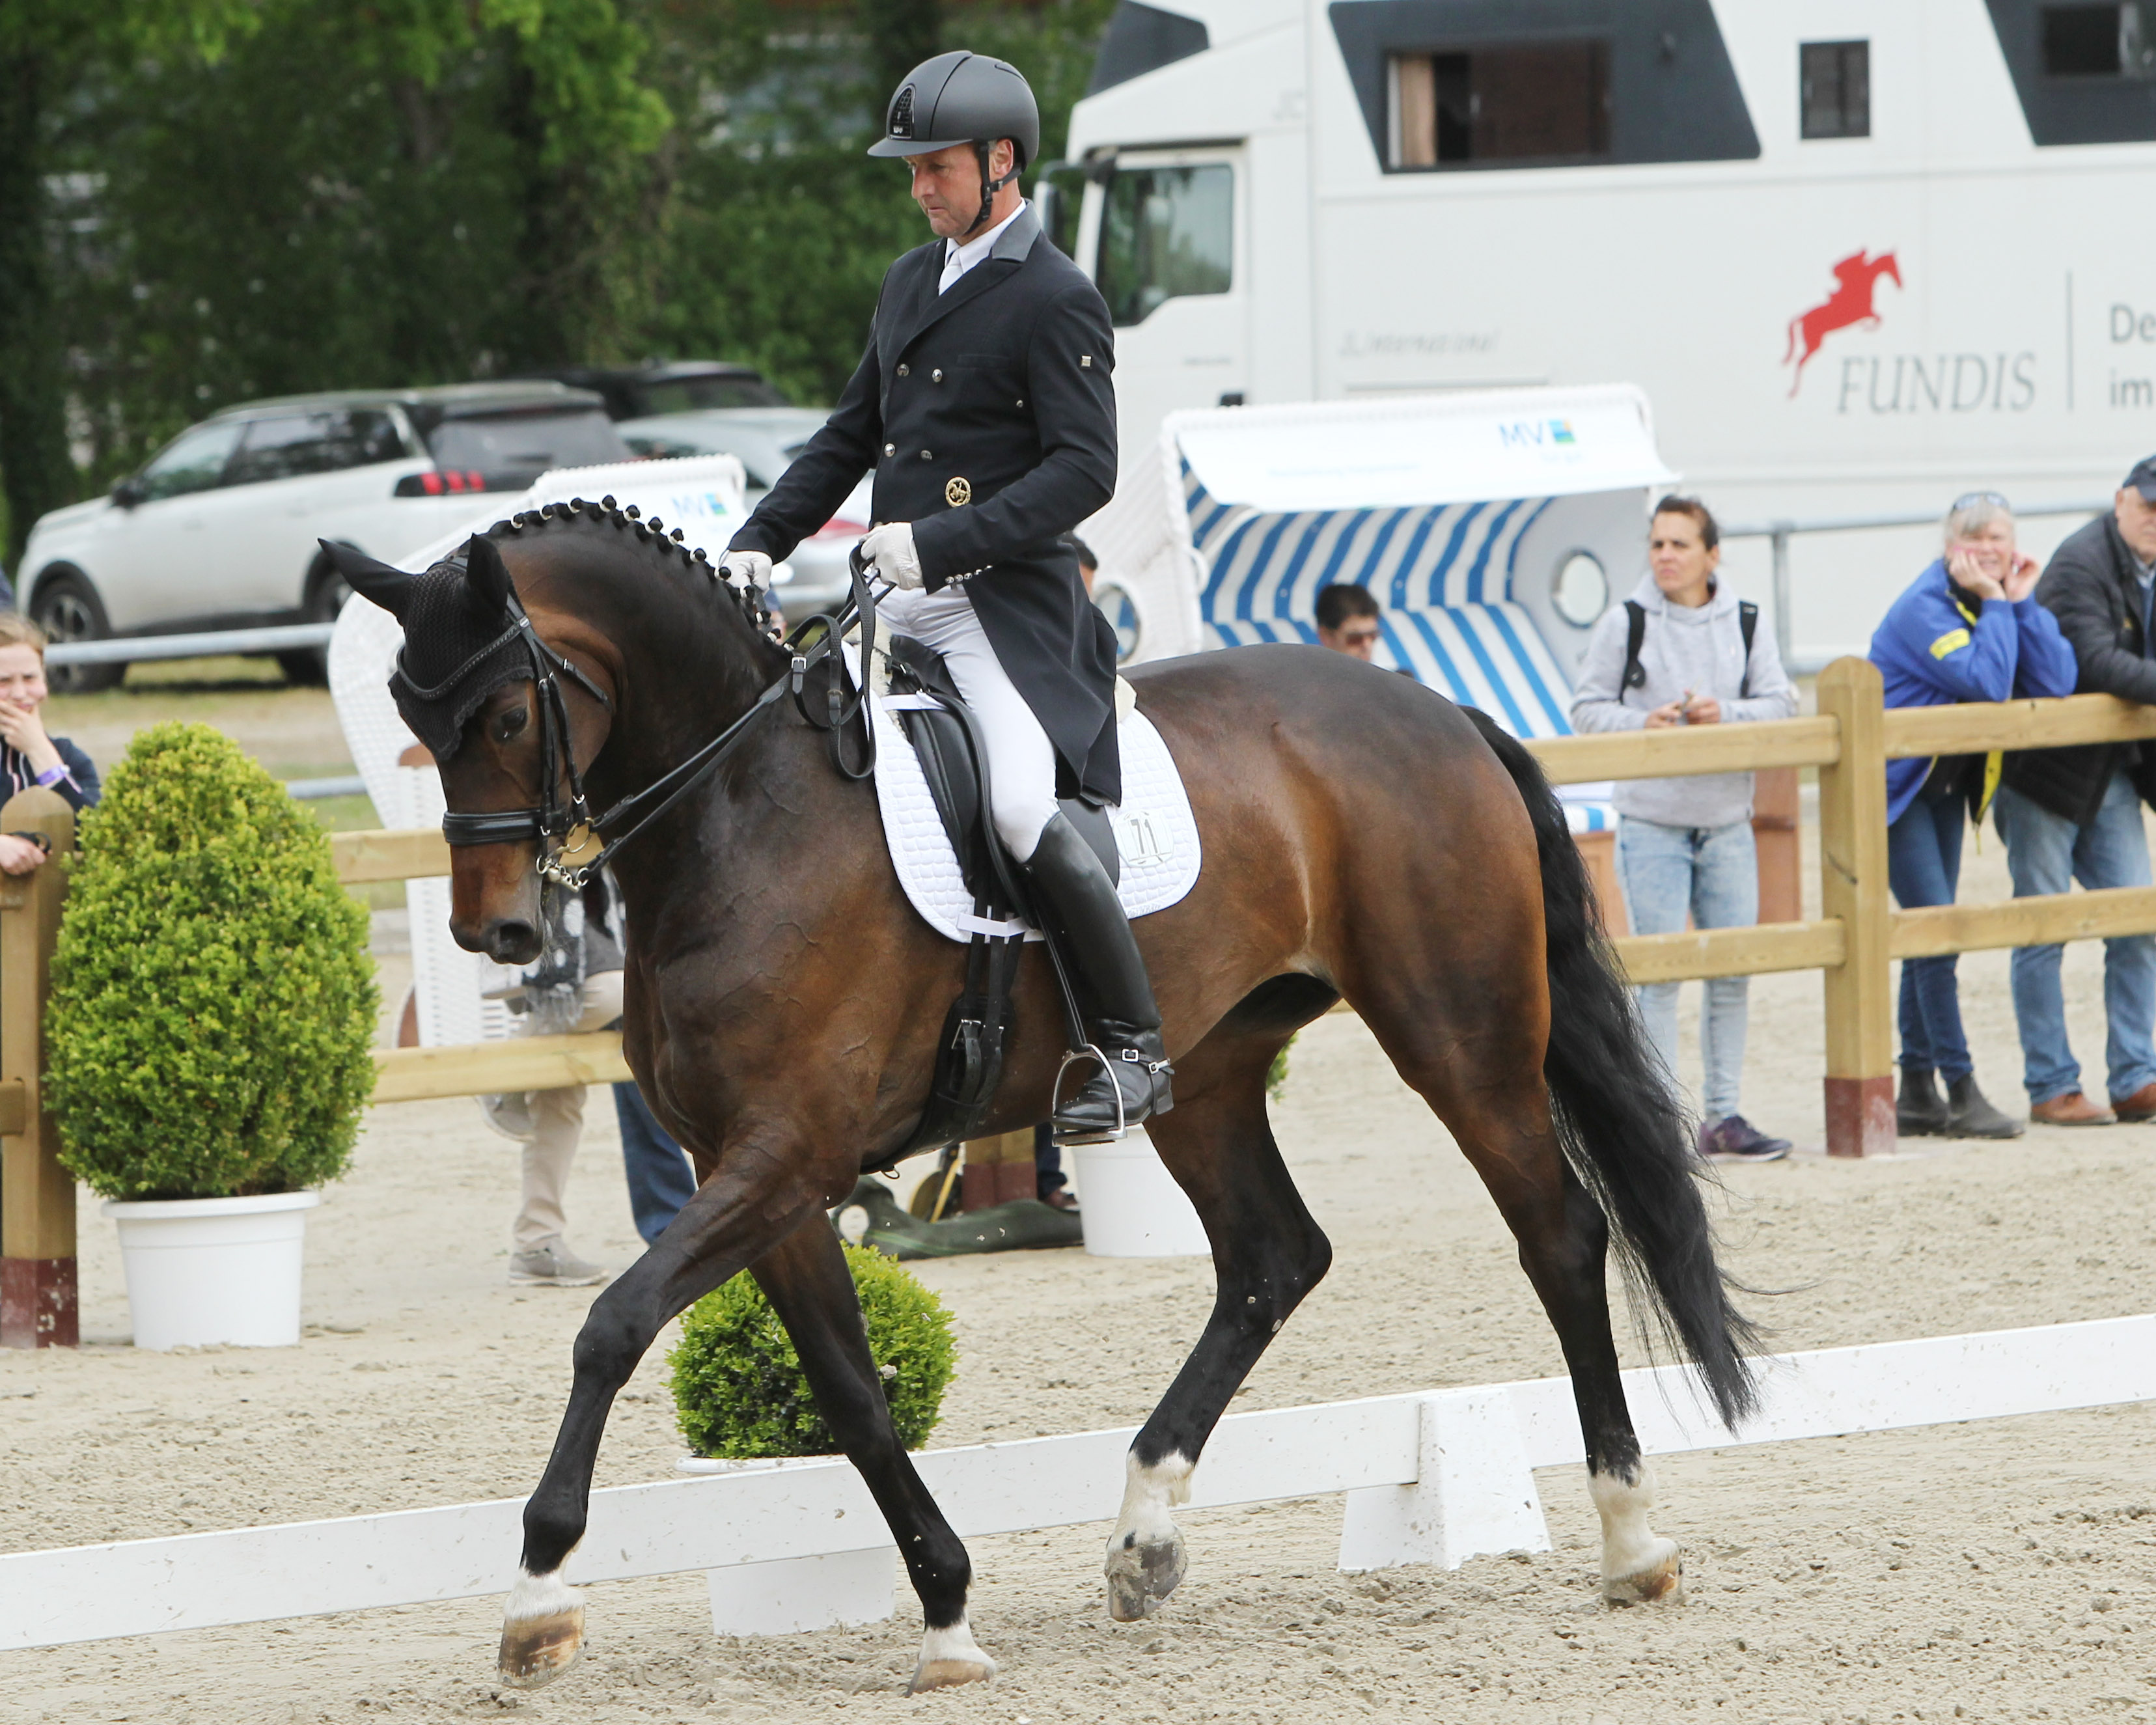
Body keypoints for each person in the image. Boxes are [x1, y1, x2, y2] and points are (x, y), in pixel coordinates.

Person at [719, 50, 1170, 1144]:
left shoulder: (1057, 296)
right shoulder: (911, 282)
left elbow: (1084, 471)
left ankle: (1130, 1045)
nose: (920, 188)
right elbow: (847, 437)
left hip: (1002, 611)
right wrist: (756, 542)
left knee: (1017, 806)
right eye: (912, 170)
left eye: (936, 168)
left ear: (1001, 160)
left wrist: (946, 539)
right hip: (898, 598)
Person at [1571, 497, 1798, 1163]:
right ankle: (1662, 1123)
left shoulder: (1749, 621)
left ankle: (1724, 1115)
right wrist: (1643, 724)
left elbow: (1783, 702)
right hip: (1653, 824)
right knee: (1659, 977)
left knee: (1731, 973)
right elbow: (1586, 709)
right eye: (1657, 543)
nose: (1665, 555)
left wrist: (1720, 713)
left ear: (1711, 553)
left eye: (1679, 544)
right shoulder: (1626, 621)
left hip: (1729, 822)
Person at [1871, 492, 2078, 1138]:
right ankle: (1960, 1091)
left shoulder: (1992, 598)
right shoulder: (1923, 607)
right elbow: (1990, 684)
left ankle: (1915, 1091)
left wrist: (2019, 601)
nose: (1993, 548)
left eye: (2003, 537)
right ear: (1952, 543)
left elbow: (2057, 680)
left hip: (1943, 791)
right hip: (1893, 793)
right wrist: (1996, 602)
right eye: (1980, 536)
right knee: (1942, 933)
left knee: (1931, 935)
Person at [1993, 458, 2156, 1125]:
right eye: (2147, 504)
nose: (2155, 518)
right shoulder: (2079, 562)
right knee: (2042, 926)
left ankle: (2137, 1076)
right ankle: (2052, 1083)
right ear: (2120, 501)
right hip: (2044, 774)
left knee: (2138, 919)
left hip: (2110, 770)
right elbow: (2093, 660)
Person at [0, 614, 99, 878]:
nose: (20, 693)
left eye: (30, 678)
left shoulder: (67, 755)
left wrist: (40, 752)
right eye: (4, 681)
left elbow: (96, 836)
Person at [1316, 583, 1382, 660]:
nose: (1367, 646)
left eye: (1372, 636)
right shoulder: (1303, 671)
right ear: (1326, 636)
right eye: (1355, 638)